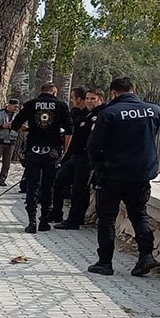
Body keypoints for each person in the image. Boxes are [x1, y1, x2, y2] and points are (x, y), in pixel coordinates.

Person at [86, 76, 160, 277]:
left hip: (113, 173)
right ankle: (146, 256)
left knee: (107, 218)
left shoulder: (109, 113)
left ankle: (105, 262)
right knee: (139, 214)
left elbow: (94, 145)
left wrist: (97, 167)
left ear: (113, 93)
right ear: (134, 89)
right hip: (141, 173)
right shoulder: (153, 110)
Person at [12, 82, 73, 233]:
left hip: (33, 150)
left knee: (32, 186)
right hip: (51, 151)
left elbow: (15, 125)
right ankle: (44, 221)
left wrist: (28, 128)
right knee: (48, 187)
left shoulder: (31, 104)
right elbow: (70, 129)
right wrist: (65, 150)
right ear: (55, 92)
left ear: (41, 91)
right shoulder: (61, 106)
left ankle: (31, 222)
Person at [54, 88, 104, 229]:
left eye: (93, 99)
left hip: (86, 158)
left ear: (100, 99)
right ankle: (56, 213)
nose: (89, 101)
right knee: (59, 181)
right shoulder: (84, 114)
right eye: (87, 98)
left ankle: (75, 220)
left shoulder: (100, 115)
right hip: (75, 155)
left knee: (79, 189)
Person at [0, 98, 20, 186]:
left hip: (11, 141)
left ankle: (2, 180)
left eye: (17, 106)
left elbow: (23, 125)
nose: (16, 108)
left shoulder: (17, 115)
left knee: (7, 163)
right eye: (14, 106)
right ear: (8, 105)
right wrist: (2, 126)